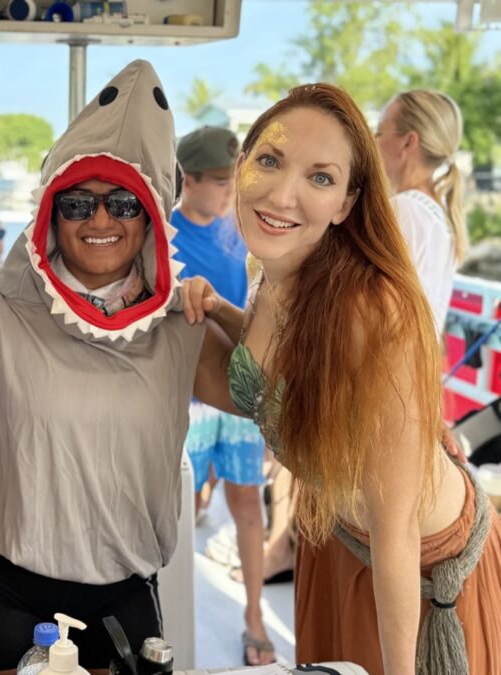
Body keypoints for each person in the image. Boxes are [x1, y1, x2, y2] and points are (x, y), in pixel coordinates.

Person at [185, 82, 501, 675]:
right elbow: (270, 367)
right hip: (343, 537)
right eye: (270, 160)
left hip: (424, 569)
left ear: (348, 203)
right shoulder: (281, 270)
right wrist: (211, 307)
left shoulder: (371, 313)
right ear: (243, 164)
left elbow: (399, 530)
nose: (282, 194)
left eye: (320, 177)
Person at [0, 60, 234, 673]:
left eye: (124, 202)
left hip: (124, 595)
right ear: (50, 212)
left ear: (151, 213)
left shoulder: (184, 331)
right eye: (78, 202)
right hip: (0, 588)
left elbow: (282, 400)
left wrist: (231, 310)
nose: (101, 220)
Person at [173, 126, 273, 665]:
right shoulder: (159, 235)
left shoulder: (242, 229)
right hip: (186, 398)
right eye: (221, 184)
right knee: (182, 508)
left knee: (248, 504)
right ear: (187, 179)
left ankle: (254, 614)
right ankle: (174, 612)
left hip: (241, 392)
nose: (232, 195)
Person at [376, 89, 466, 337]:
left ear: (408, 142)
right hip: (415, 372)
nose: (375, 142)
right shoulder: (440, 215)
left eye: (380, 132)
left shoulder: (403, 210)